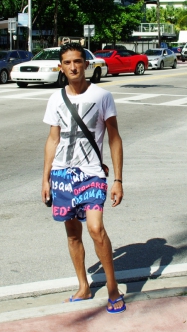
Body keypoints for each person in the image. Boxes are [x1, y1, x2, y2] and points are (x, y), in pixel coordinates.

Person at [42, 42, 126, 314]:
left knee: (95, 228)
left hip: (91, 173)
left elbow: (114, 137)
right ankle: (83, 286)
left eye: (78, 61)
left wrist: (118, 179)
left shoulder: (102, 96)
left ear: (86, 64)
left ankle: (113, 289)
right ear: (61, 67)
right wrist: (45, 179)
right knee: (72, 234)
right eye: (67, 63)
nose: (73, 67)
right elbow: (53, 139)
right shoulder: (55, 98)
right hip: (62, 174)